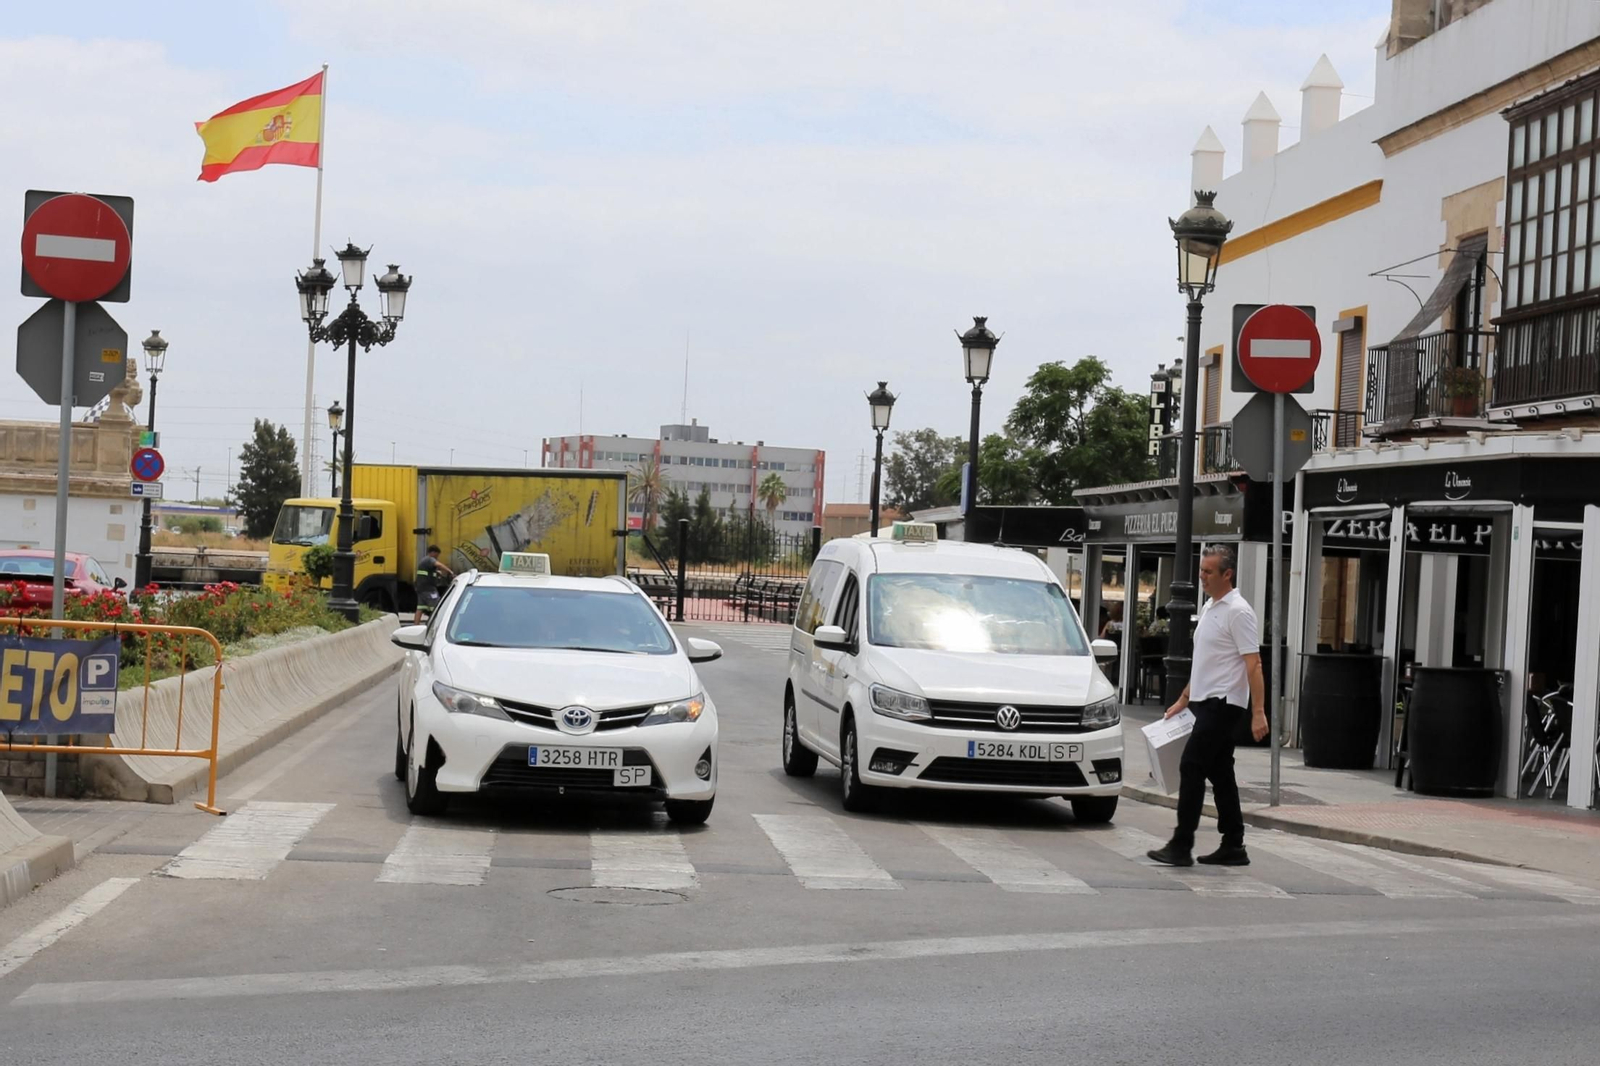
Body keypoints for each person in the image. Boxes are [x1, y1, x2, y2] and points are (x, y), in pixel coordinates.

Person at [1147, 544, 1267, 868]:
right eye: (1201, 571)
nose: (1202, 577)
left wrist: (1258, 712)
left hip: (1224, 702)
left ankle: (1181, 844)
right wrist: (1183, 699)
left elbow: (1253, 664)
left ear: (1227, 574)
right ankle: (1234, 844)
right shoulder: (1211, 607)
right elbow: (1205, 662)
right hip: (1204, 700)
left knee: (1192, 765)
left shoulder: (1239, 612)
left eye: (1208, 572)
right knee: (1220, 772)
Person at [413, 545, 456, 623]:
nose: (437, 557)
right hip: (429, 589)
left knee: (420, 608)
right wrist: (450, 572)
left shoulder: (424, 561)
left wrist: (436, 573)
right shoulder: (429, 559)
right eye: (437, 555)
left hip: (421, 588)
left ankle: (415, 625)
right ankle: (435, 624)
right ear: (432, 553)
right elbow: (439, 565)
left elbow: (428, 572)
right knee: (436, 607)